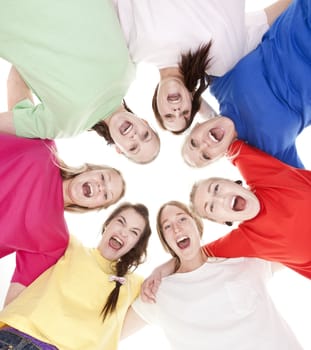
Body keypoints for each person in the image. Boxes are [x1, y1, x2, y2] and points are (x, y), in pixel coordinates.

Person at [1, 66, 128, 305]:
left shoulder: (54, 239)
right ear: (89, 169)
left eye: (106, 195)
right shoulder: (42, 144)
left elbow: (15, 302)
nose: (100, 187)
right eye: (102, 178)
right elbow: (18, 77)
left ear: (96, 206)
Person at [121, 201, 303, 350]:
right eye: (167, 226)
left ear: (197, 226)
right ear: (166, 242)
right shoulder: (157, 292)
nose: (176, 229)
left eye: (182, 219)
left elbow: (298, 244)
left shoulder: (243, 261)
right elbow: (110, 332)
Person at [0, 1, 160, 164]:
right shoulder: (130, 68)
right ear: (145, 122)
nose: (135, 137)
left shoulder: (66, 126)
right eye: (145, 135)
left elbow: (14, 102)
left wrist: (27, 53)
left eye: (133, 147)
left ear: (119, 149)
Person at [114, 0, 292, 133]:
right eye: (185, 113)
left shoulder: (134, 48)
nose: (176, 111)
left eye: (168, 115)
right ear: (192, 101)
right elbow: (266, 19)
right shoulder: (221, 61)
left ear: (156, 101)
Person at [0, 202, 152, 350]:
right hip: (15, 337)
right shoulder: (71, 246)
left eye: (134, 232)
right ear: (108, 224)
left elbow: (172, 286)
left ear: (135, 245)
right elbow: (36, 214)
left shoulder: (136, 285)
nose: (123, 232)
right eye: (120, 222)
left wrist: (165, 267)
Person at [183, 0, 310, 168]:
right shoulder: (268, 150)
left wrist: (204, 111)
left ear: (197, 126)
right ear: (222, 156)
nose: (204, 145)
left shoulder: (220, 83)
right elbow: (303, 187)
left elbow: (180, 82)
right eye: (206, 156)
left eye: (194, 143)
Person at [190, 140, 311, 279]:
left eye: (216, 188)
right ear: (223, 221)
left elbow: (227, 139)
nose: (220, 199)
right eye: (211, 207)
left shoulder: (264, 177)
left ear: (235, 183)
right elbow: (192, 258)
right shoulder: (247, 239)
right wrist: (162, 269)